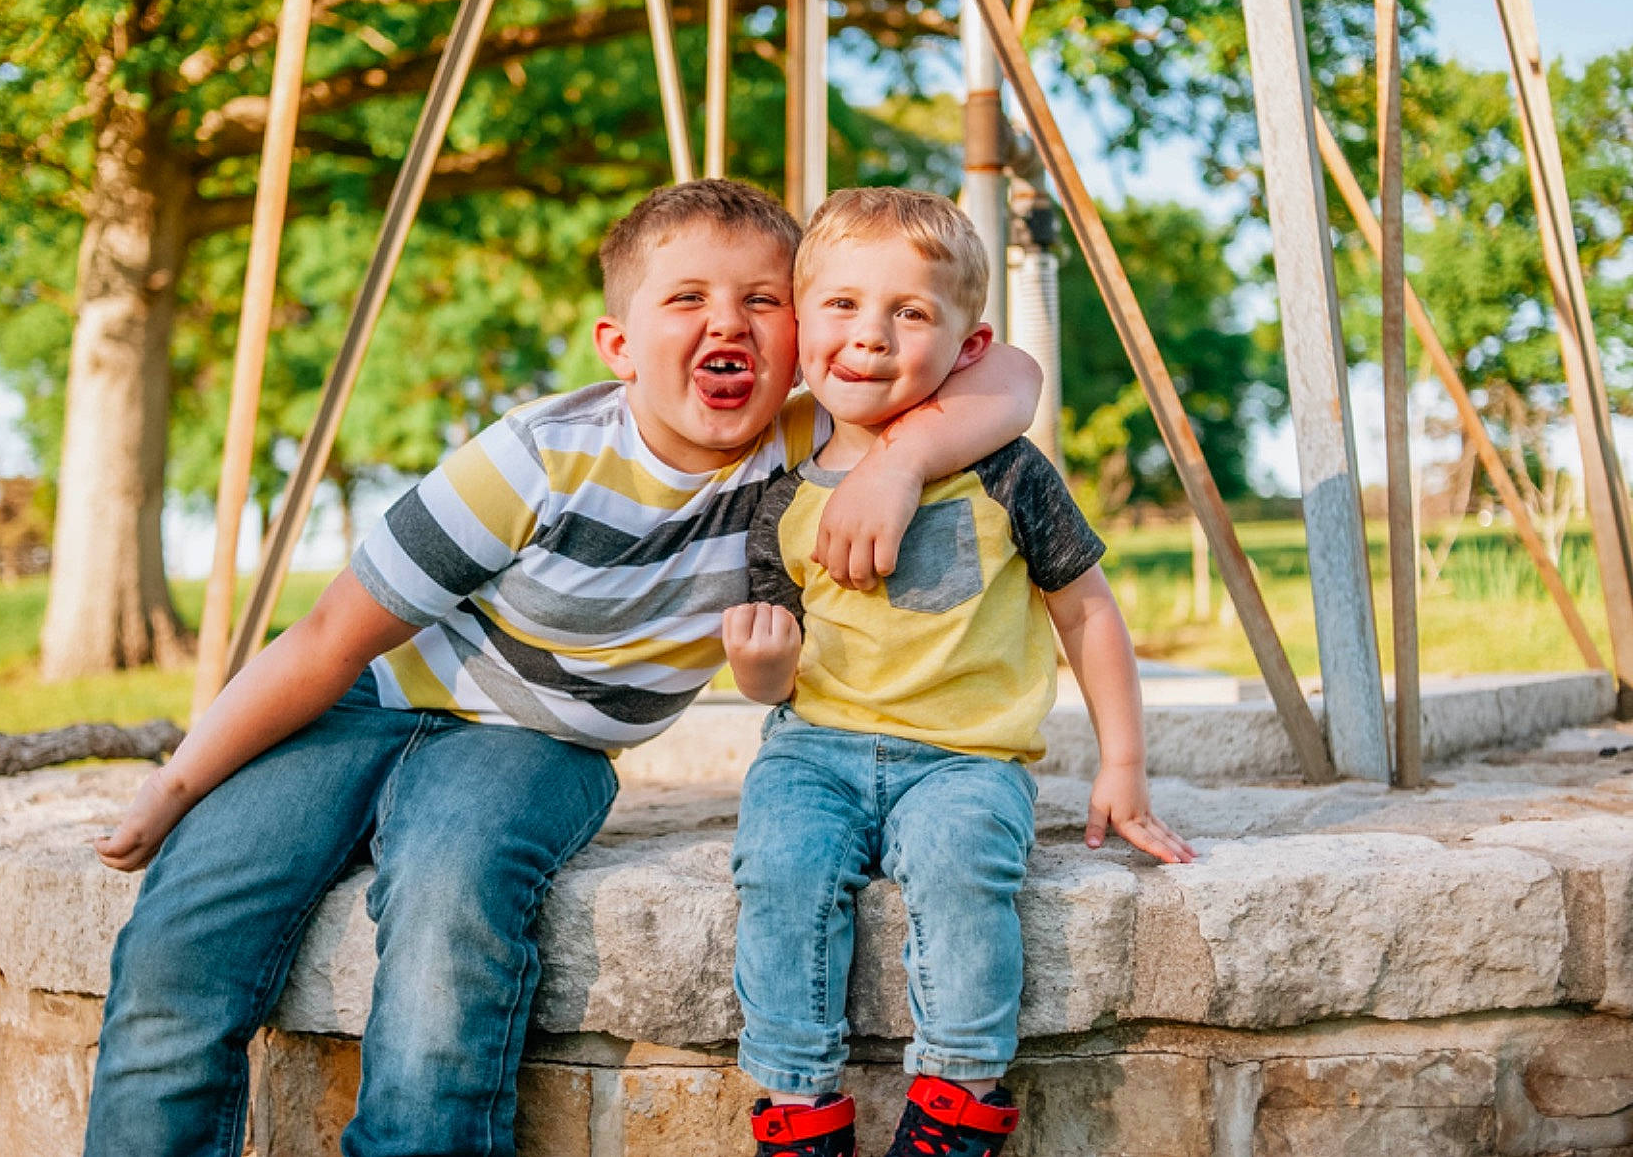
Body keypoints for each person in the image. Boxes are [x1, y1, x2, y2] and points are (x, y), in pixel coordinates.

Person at [82, 178, 1046, 1157]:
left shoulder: (806, 446)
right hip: (357, 707)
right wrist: (179, 780)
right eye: (686, 299)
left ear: (801, 333)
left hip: (538, 745)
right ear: (617, 346)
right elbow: (329, 636)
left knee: (446, 907)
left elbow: (1007, 372)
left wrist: (896, 462)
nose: (729, 323)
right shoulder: (536, 459)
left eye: (763, 300)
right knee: (180, 943)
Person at [721, 187, 1195, 1157]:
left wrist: (1121, 765)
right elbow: (772, 678)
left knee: (959, 871)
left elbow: (1084, 610)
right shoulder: (778, 497)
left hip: (966, 759)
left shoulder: (1008, 473)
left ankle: (955, 1102)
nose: (870, 336)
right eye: (842, 305)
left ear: (965, 346)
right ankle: (798, 1105)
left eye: (909, 312)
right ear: (801, 320)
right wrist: (761, 671)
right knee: (776, 866)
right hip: (813, 748)